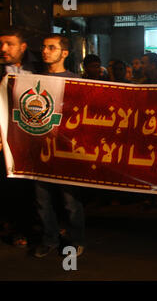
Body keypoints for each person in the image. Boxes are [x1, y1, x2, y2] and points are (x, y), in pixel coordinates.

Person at [34, 34, 85, 258]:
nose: (45, 51)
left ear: (64, 53)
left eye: (51, 48)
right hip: (40, 150)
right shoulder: (33, 82)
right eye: (44, 47)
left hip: (66, 152)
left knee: (70, 201)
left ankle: (76, 240)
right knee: (42, 199)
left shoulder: (76, 81)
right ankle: (50, 239)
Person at [0, 27, 40, 248]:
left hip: (31, 137)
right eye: (1, 44)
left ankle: (33, 224)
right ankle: (13, 227)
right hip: (3, 138)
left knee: (30, 185)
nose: (3, 49)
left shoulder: (38, 69)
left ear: (23, 47)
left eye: (9, 44)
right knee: (8, 185)